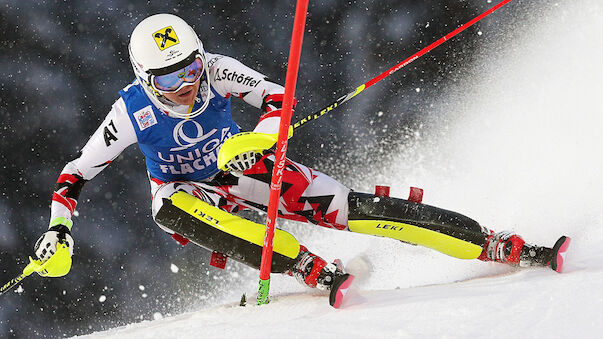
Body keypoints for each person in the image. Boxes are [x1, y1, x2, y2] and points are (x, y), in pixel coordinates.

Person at [33, 13, 570, 305]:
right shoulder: (130, 112)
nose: (188, 83)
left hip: (245, 168)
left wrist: (263, 138)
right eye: (172, 78)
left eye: (192, 67)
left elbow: (277, 96)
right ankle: (305, 266)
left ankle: (496, 244)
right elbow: (76, 172)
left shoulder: (218, 69)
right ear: (147, 80)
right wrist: (59, 229)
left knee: (352, 208)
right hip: (187, 193)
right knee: (167, 207)